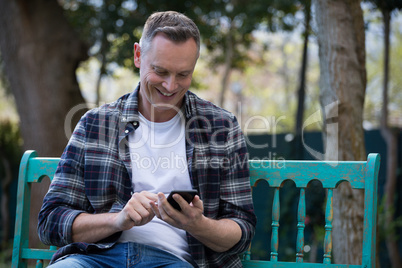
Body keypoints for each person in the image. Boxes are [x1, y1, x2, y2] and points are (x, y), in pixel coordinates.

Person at [38, 11, 256, 268]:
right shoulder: (95, 124)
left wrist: (198, 225)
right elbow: (51, 221)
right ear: (138, 55)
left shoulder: (221, 127)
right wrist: (118, 220)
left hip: (175, 261)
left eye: (183, 74)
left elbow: (242, 230)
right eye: (160, 71)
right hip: (94, 258)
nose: (170, 85)